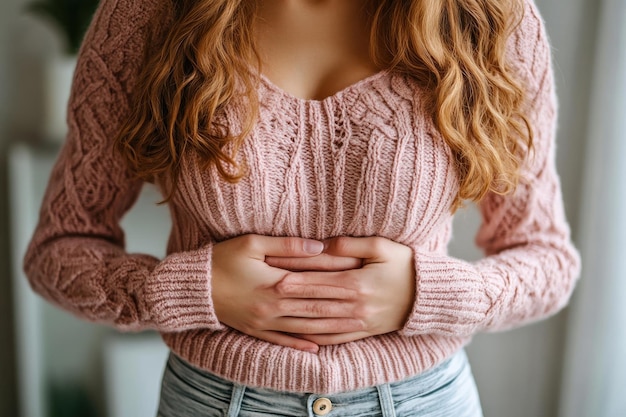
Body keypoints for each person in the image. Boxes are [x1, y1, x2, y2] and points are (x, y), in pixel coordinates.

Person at [24, 0, 581, 415]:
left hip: (423, 400)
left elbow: (548, 259)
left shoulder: (485, 16)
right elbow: (58, 250)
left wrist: (428, 293)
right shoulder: (150, 12)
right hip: (216, 401)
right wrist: (192, 290)